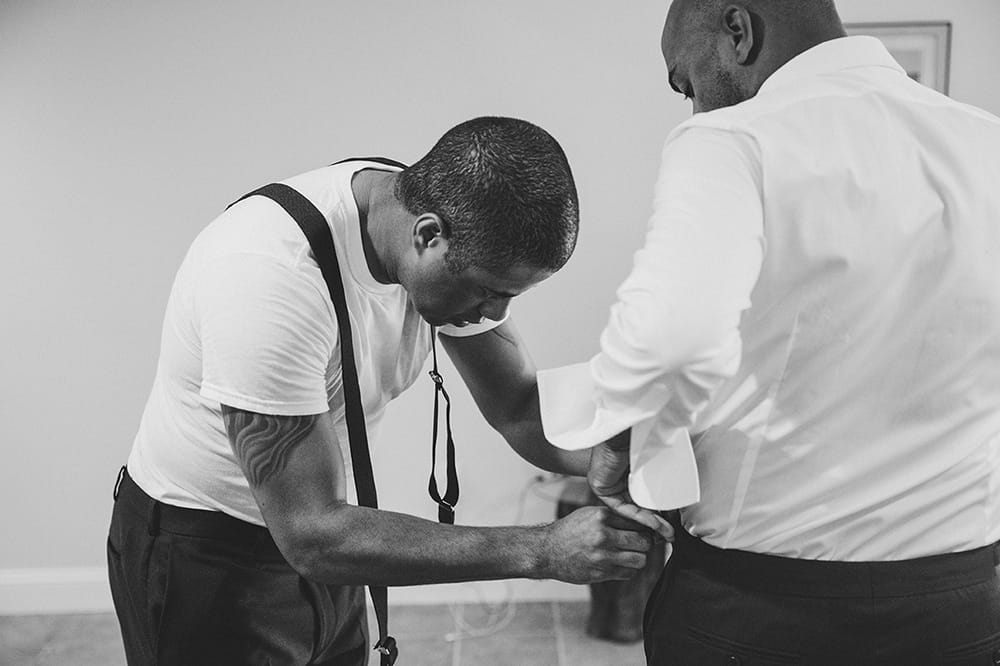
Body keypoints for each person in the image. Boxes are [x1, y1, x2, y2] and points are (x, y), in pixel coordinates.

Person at [107, 116, 666, 665]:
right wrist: (542, 550)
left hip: (330, 539)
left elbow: (518, 406)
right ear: (428, 236)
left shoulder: (422, 215)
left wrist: (621, 459)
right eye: (491, 291)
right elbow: (312, 534)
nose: (496, 314)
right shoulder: (266, 278)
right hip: (207, 555)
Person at [536, 1, 1000, 663]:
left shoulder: (736, 139)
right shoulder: (988, 141)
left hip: (764, 613)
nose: (693, 106)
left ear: (738, 30)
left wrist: (617, 435)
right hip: (962, 609)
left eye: (687, 82)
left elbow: (671, 338)